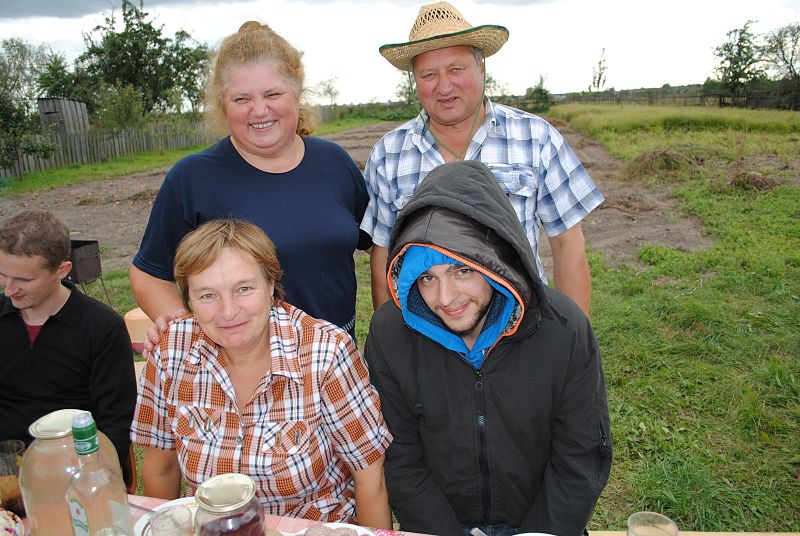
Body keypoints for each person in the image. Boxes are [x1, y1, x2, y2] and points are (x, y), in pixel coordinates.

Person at [363, 161, 611, 536]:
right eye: (427, 278)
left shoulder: (564, 328)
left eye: (463, 271)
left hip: (542, 526)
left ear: (499, 263)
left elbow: (581, 454)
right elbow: (401, 459)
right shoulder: (390, 335)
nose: (446, 299)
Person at [130, 219, 392, 528]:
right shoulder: (170, 350)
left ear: (271, 285)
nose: (228, 312)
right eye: (207, 295)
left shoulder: (326, 353)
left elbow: (370, 478)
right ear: (188, 300)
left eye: (243, 289)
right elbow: (162, 469)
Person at [130, 20, 370, 340]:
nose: (259, 110)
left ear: (297, 93)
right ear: (222, 104)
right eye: (242, 99)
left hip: (338, 362)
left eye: (272, 93)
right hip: (243, 371)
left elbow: (378, 245)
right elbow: (149, 273)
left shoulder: (335, 163)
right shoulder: (192, 178)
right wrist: (190, 333)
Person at [362, 1, 603, 316]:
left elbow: (567, 244)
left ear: (481, 68)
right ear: (416, 82)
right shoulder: (387, 154)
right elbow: (382, 255)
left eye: (456, 69)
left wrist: (573, 340)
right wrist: (392, 342)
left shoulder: (536, 138)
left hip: (524, 328)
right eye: (429, 74)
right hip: (428, 337)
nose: (444, 86)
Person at [0, 210, 136, 479]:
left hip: (75, 469)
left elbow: (117, 421)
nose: (8, 289)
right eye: (3, 275)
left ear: (62, 270)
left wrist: (93, 476)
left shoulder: (102, 328)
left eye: (24, 280)